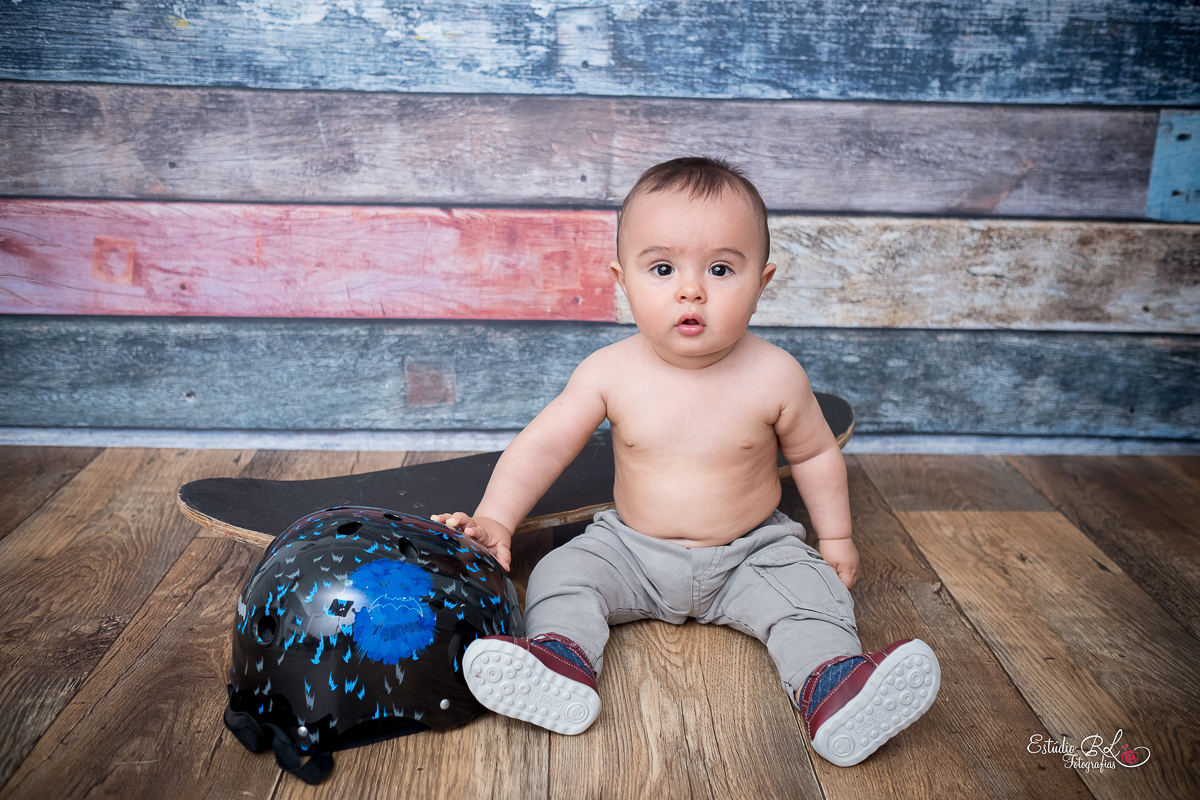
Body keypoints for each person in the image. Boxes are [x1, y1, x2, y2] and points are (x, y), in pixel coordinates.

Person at [433, 156, 939, 766]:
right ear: (624, 281)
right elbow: (542, 447)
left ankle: (833, 687)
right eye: (663, 268)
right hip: (630, 550)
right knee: (560, 576)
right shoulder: (609, 372)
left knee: (814, 596)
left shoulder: (776, 374)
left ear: (762, 281)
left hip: (753, 552)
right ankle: (561, 660)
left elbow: (814, 453)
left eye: (721, 268)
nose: (690, 288)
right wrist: (496, 518)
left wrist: (836, 538)